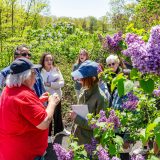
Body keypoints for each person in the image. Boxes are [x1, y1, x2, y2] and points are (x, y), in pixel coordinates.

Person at [0, 58, 60, 160]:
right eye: (33, 73)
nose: (36, 78)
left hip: (10, 151)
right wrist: (52, 103)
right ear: (25, 77)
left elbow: (21, 111)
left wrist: (38, 102)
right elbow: (44, 122)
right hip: (25, 155)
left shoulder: (8, 90)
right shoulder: (23, 96)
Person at [70, 60, 107, 145]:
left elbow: (100, 126)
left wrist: (77, 118)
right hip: (78, 137)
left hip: (89, 143)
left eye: (82, 78)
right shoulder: (84, 90)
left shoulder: (101, 98)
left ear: (93, 79)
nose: (79, 80)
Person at [40, 53, 70, 139]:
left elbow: (62, 83)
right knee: (48, 117)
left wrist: (50, 84)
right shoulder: (40, 71)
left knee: (58, 115)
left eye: (51, 59)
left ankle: (60, 130)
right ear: (43, 61)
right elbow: (42, 86)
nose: (49, 61)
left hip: (57, 96)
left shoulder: (56, 69)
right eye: (47, 60)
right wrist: (54, 84)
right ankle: (48, 135)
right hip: (46, 98)